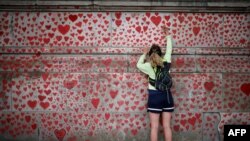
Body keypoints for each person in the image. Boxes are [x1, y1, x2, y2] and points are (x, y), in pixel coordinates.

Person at [136, 26, 174, 141]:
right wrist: (167, 36)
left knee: (154, 127)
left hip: (154, 97)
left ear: (150, 54)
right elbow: (169, 50)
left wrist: (143, 54)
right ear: (161, 53)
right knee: (167, 126)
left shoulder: (148, 66)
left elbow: (138, 65)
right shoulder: (166, 61)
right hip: (167, 96)